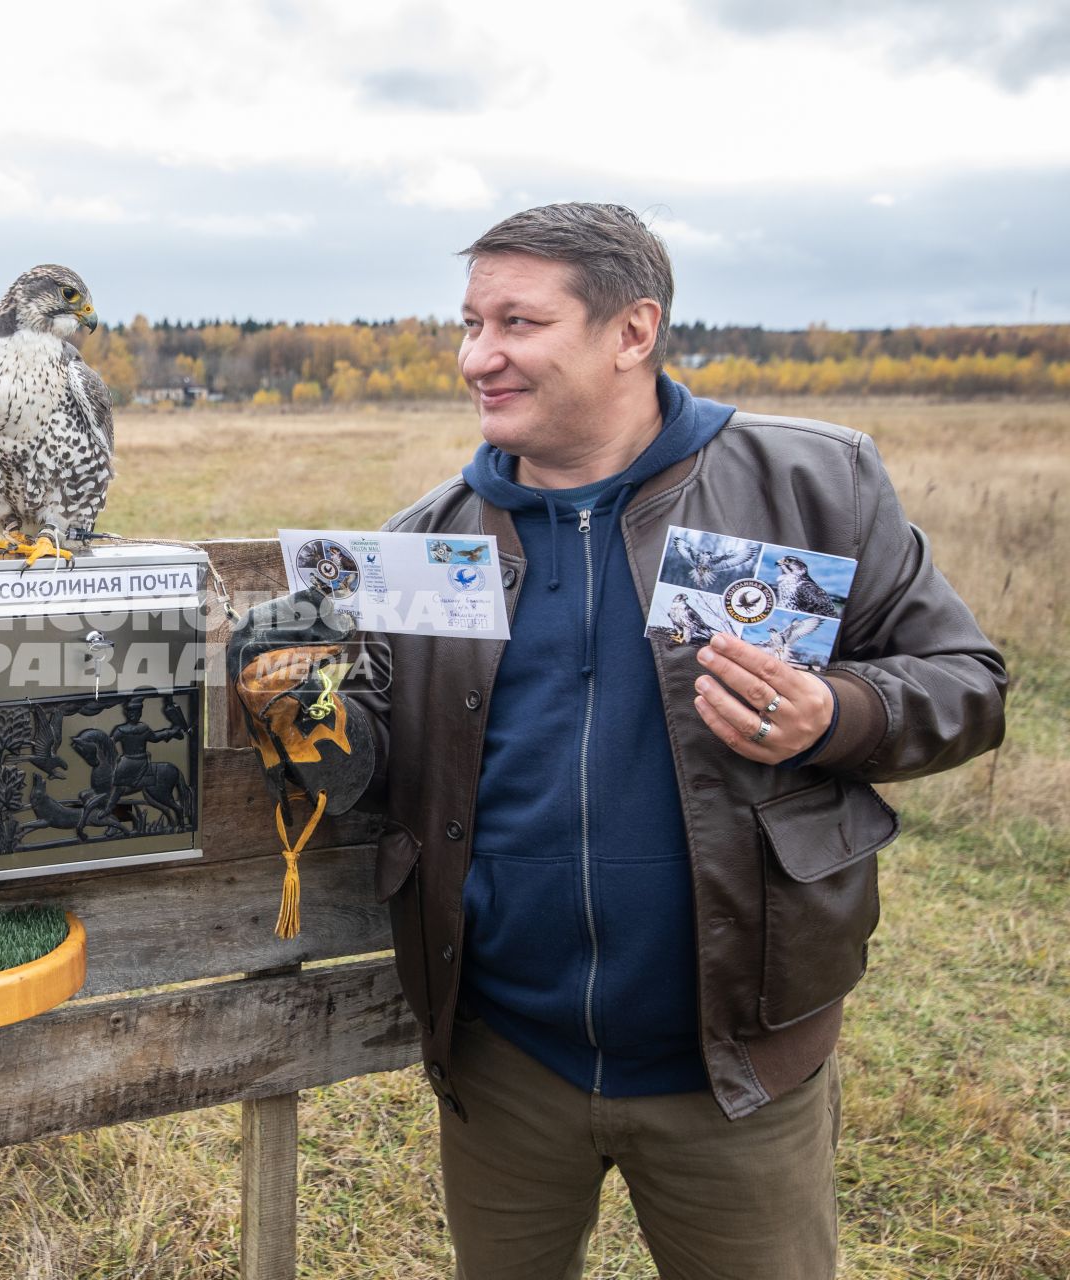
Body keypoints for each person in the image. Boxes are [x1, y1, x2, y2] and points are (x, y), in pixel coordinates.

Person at [231, 202, 1006, 1277]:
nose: (477, 357)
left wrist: (836, 713)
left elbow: (967, 683)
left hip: (735, 1070)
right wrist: (300, 709)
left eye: (516, 323)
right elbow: (386, 766)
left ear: (632, 332)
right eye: (469, 323)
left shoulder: (811, 486)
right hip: (504, 1068)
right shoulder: (423, 546)